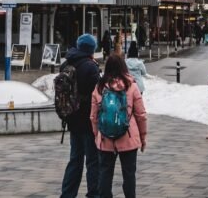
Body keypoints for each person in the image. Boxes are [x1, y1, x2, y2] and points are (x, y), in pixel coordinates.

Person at [91, 54, 148, 198]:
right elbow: (141, 115)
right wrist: (143, 136)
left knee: (105, 174)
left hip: (105, 139)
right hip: (128, 138)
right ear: (124, 67)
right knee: (129, 175)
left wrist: (97, 134)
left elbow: (94, 117)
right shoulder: (131, 86)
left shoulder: (99, 88)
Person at [60, 34, 102, 198]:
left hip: (71, 118)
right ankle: (94, 194)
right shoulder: (90, 67)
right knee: (92, 161)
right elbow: (97, 93)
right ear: (91, 49)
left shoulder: (66, 63)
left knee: (75, 159)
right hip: (88, 120)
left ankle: (68, 194)